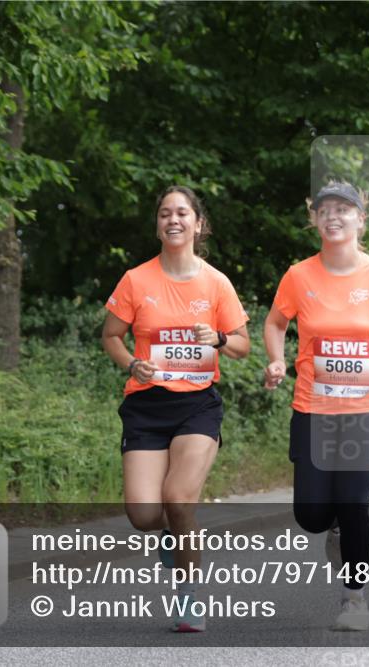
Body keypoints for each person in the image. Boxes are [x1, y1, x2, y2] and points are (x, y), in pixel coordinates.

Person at [263, 181, 369, 631]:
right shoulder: (299, 275)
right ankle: (333, 527)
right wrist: (277, 360)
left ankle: (355, 599)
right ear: (314, 219)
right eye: (324, 209)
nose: (333, 216)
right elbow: (276, 322)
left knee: (354, 504)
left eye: (343, 209)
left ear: (361, 218)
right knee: (312, 515)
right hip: (313, 408)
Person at [102, 185, 250, 632]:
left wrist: (220, 339)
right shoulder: (136, 280)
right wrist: (133, 363)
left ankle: (188, 597)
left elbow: (242, 346)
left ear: (197, 224)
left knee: (179, 499)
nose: (173, 220)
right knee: (145, 515)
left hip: (197, 407)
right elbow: (111, 335)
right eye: (165, 213)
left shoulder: (216, 282)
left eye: (182, 213)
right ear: (158, 224)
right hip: (146, 405)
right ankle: (176, 534)